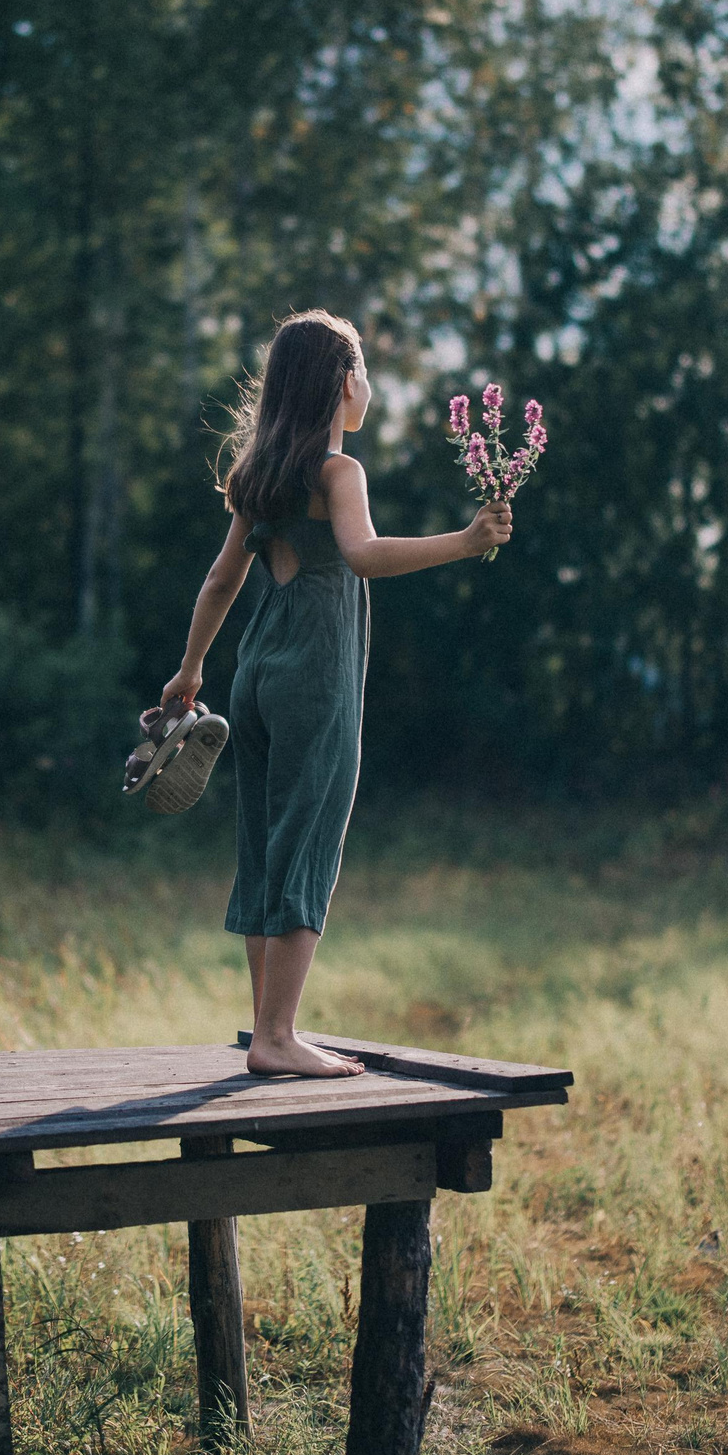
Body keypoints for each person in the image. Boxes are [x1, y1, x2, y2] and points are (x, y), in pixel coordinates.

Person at [159, 310, 512, 1078]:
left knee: (263, 845)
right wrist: (466, 541)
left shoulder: (260, 475)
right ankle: (278, 1038)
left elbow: (222, 580)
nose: (369, 384)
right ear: (345, 382)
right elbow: (360, 553)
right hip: (315, 673)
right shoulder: (336, 472)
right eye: (364, 369)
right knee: (309, 839)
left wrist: (189, 672)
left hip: (255, 670)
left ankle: (265, 1031)